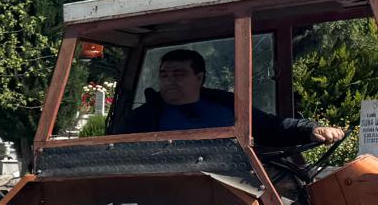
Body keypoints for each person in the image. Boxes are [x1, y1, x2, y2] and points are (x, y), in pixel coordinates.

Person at [115, 48, 347, 145]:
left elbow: (269, 125)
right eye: (164, 75)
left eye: (179, 74)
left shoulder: (224, 105)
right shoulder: (142, 119)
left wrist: (310, 130)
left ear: (199, 77)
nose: (169, 80)